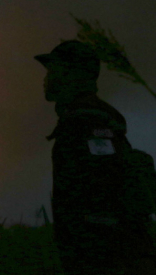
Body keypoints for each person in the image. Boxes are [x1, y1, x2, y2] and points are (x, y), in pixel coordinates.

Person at [35, 40, 156, 275]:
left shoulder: (87, 120)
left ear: (72, 73)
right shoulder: (93, 118)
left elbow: (101, 188)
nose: (46, 78)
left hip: (106, 255)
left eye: (53, 69)